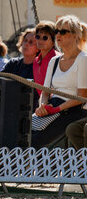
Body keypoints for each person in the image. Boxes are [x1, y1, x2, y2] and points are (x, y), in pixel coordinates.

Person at [32, 15, 87, 147]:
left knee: (35, 142)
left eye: (63, 31)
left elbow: (82, 97)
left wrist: (56, 109)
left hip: (74, 110)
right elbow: (45, 92)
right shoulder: (54, 61)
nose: (58, 35)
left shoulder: (83, 59)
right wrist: (43, 106)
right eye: (56, 31)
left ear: (75, 36)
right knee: (21, 133)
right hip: (53, 108)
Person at [0, 28, 39, 107]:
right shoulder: (12, 64)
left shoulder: (40, 67)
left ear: (38, 48)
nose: (26, 44)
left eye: (31, 42)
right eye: (25, 40)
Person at [33, 21, 59, 87]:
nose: (40, 41)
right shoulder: (36, 61)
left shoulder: (58, 60)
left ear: (53, 42)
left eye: (45, 38)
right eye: (38, 37)